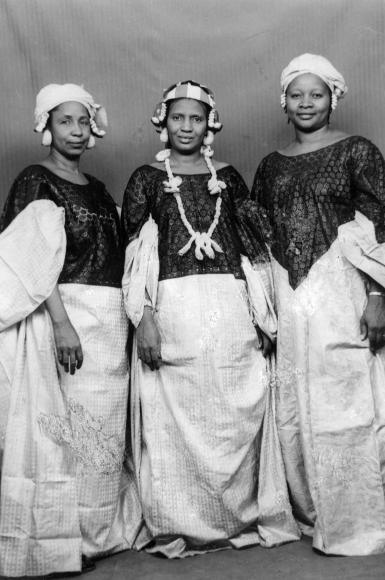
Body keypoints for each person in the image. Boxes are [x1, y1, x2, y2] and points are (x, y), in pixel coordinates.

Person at [121, 80, 299, 557]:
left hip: (229, 306)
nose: (186, 126)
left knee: (231, 411)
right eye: (178, 117)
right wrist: (146, 319)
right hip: (173, 308)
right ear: (163, 121)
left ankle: (235, 515)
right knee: (175, 419)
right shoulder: (145, 179)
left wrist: (262, 313)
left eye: (195, 118)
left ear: (209, 124)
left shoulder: (229, 176)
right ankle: (181, 519)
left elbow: (253, 248)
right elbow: (138, 256)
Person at [251, 53, 385, 555]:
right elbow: (258, 235)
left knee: (349, 400)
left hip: (342, 290)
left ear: (332, 97)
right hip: (291, 299)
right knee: (297, 404)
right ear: (284, 102)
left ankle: (361, 517)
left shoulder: (358, 150)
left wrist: (377, 298)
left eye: (316, 94)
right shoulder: (270, 165)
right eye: (297, 94)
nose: (307, 103)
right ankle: (317, 511)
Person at [0, 84, 139, 577]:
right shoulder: (34, 180)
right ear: (46, 127)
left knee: (104, 429)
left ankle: (101, 532)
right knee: (70, 428)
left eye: (83, 122)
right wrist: (61, 324)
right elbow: (29, 261)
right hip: (69, 315)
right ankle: (65, 538)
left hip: (110, 320)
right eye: (65, 122)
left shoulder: (98, 188)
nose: (76, 131)